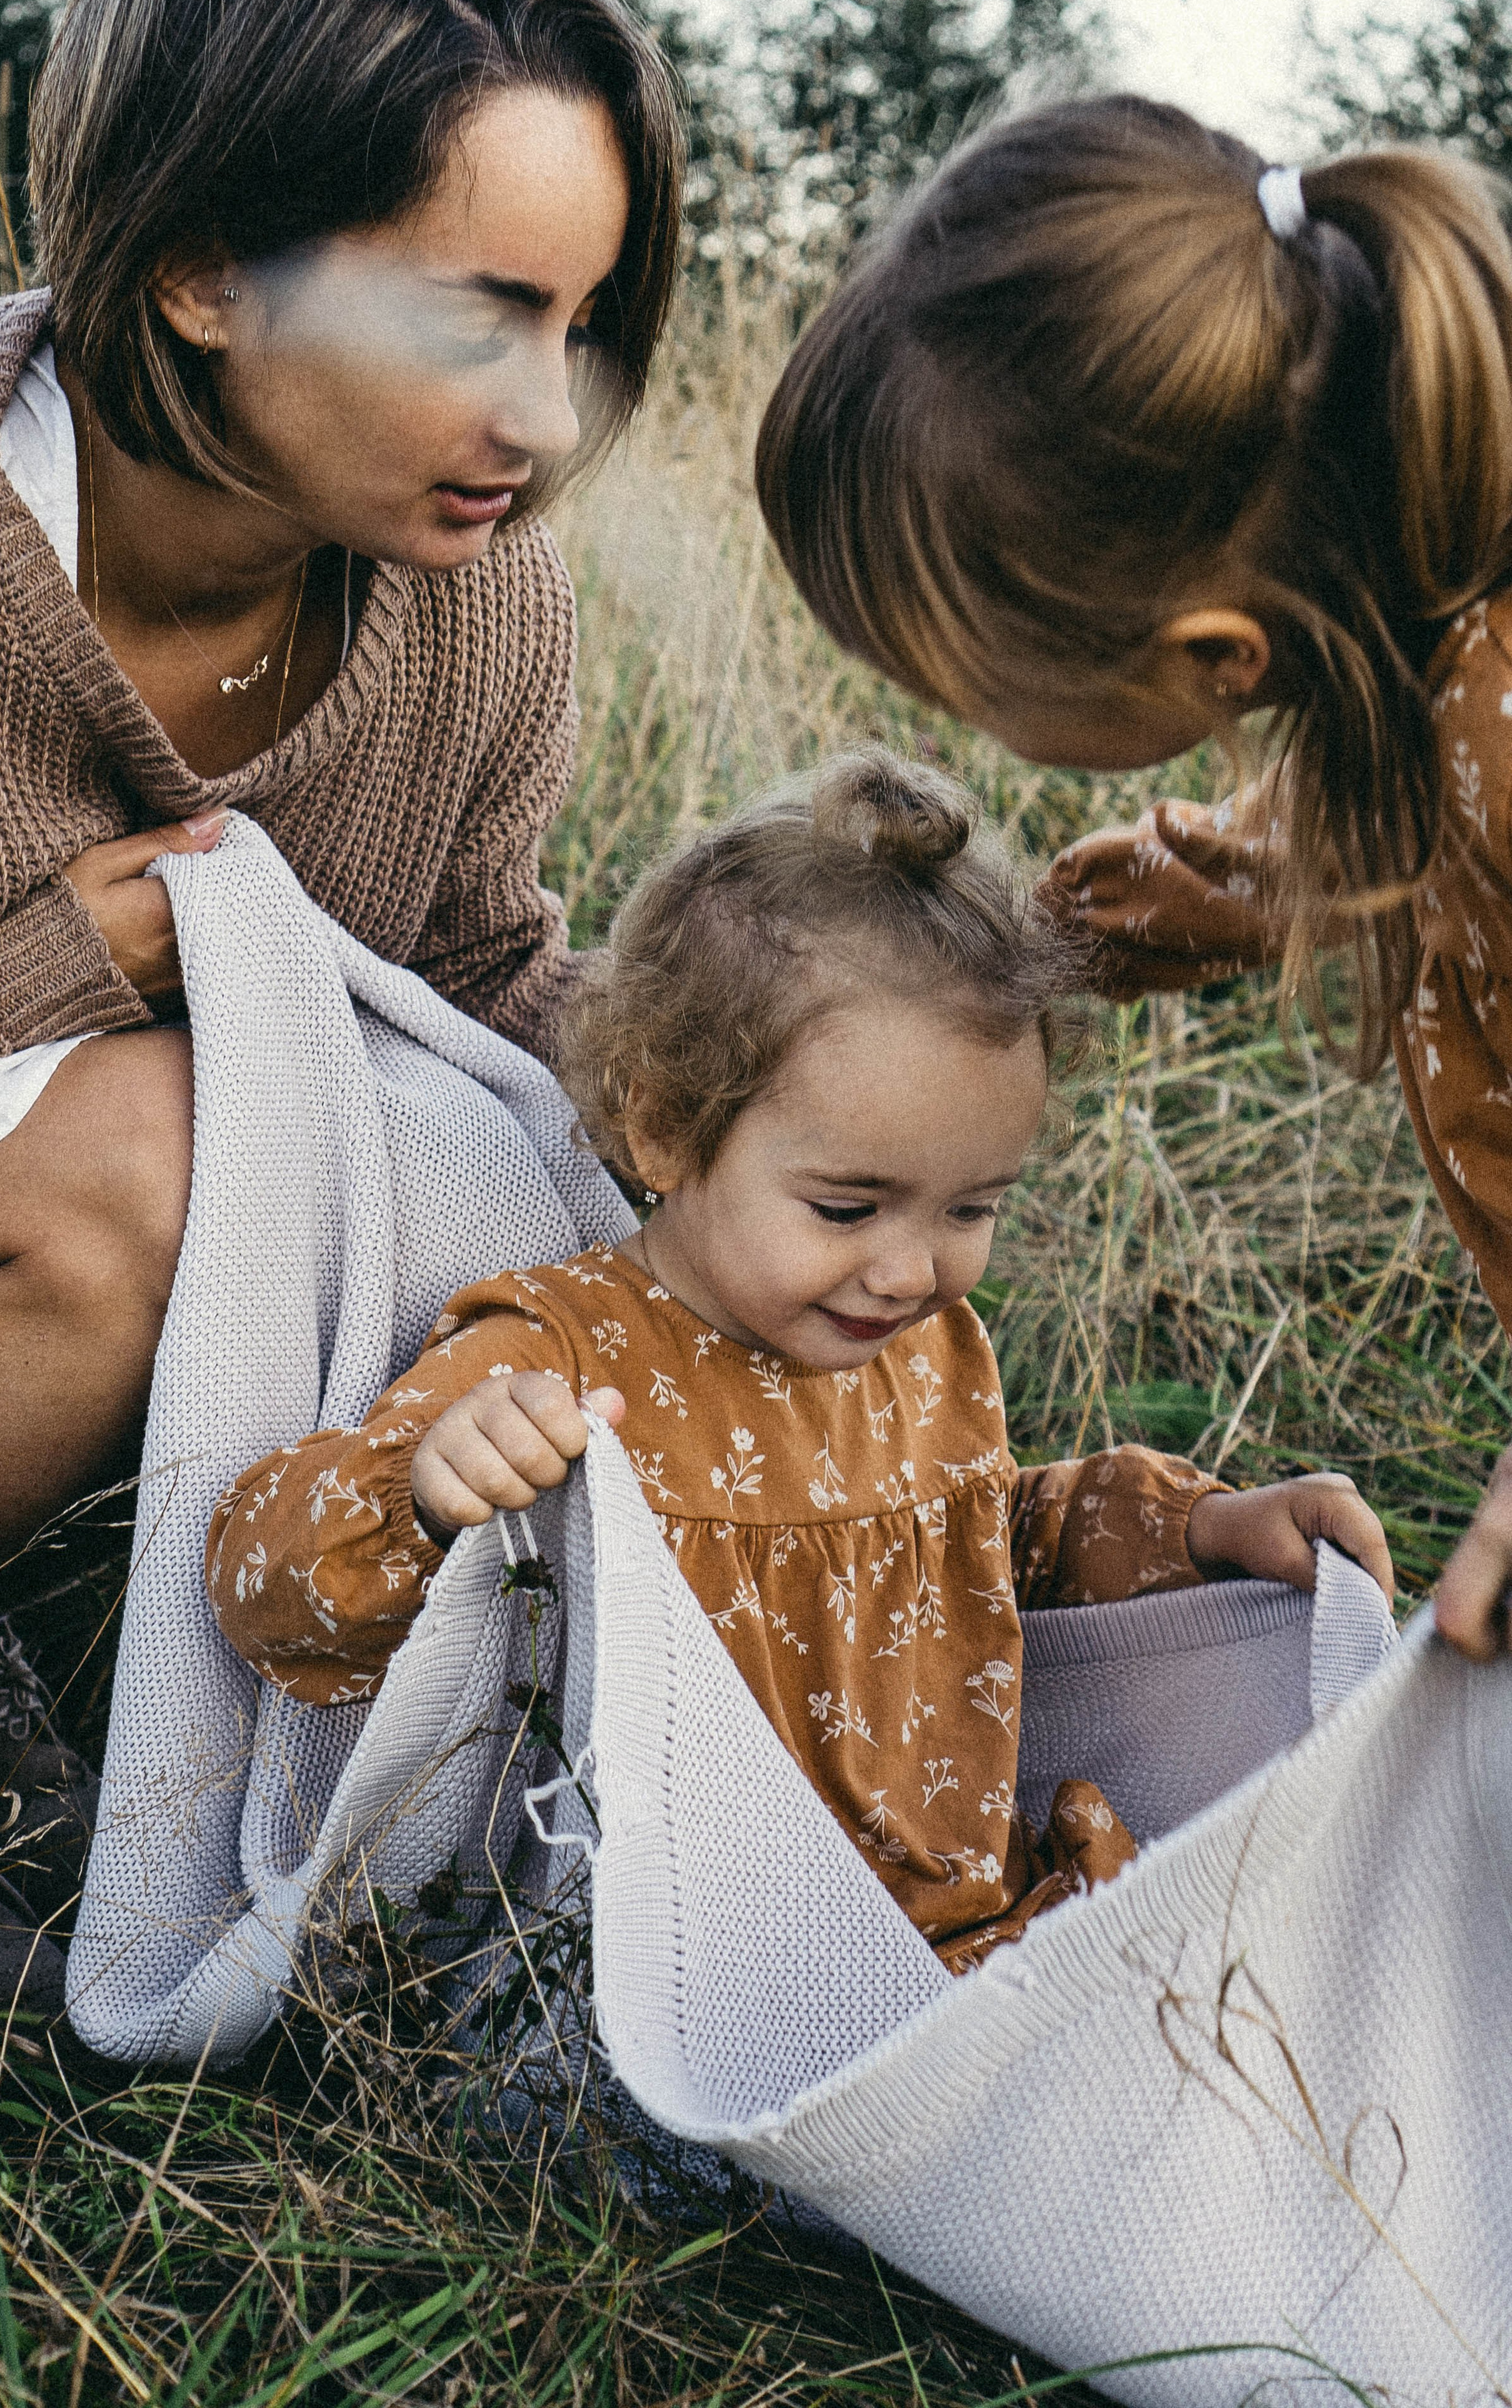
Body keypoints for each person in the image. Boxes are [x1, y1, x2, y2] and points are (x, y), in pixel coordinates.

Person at [0, 0, 684, 1995]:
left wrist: (746, 1076)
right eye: (475, 321)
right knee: (147, 1148)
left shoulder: (475, 604)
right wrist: (31, 980)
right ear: (201, 268)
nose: (545, 418)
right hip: (10, 1213)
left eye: (576, 329)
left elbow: (477, 984)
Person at [207, 752, 1391, 1972]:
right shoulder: (562, 1357)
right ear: (664, 1126)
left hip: (955, 1926)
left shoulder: (925, 1353)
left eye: (971, 1209)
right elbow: (258, 1590)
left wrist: (1203, 1531)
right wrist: (425, 1490)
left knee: (1300, 1950)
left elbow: (990, 1552)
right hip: (701, 1969)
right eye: (846, 1209)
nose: (908, 1271)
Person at [754, 95, 1512, 1671]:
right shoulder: (1435, 656)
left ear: (1209, 659)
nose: (958, 734)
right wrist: (1239, 885)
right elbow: (1415, 821)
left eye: (973, 693)